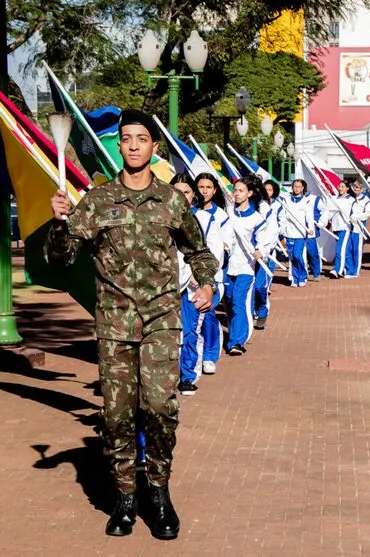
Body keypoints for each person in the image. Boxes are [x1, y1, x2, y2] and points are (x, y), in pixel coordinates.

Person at [45, 109, 218, 540]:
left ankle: (157, 491)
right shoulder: (99, 201)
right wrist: (59, 221)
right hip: (115, 326)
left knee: (160, 409)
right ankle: (125, 495)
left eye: (143, 138)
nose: (135, 145)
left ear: (154, 147)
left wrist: (208, 282)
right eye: (127, 139)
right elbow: (60, 257)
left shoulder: (173, 201)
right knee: (118, 415)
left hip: (161, 320)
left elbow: (198, 251)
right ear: (119, 146)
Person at [225, 176, 269, 356]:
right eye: (235, 190)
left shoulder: (257, 219)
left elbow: (263, 241)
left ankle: (237, 341)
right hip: (227, 266)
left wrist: (261, 251)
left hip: (245, 268)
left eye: (241, 190)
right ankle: (234, 331)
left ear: (249, 194)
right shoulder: (228, 213)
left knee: (238, 302)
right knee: (228, 302)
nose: (236, 193)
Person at [194, 172, 232, 376]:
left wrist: (224, 248)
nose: (204, 191)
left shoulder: (221, 216)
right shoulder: (188, 212)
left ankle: (209, 355)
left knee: (207, 314)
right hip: (188, 276)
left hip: (213, 276)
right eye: (200, 187)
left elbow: (228, 243)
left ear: (214, 190)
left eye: (208, 187)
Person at [170, 173, 203, 397]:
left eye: (187, 192)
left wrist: (200, 274)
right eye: (177, 191)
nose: (182, 196)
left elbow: (208, 253)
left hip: (190, 287)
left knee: (189, 331)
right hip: (164, 287)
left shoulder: (199, 221)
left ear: (194, 196)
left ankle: (187, 376)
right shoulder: (159, 218)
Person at [252, 179, 282, 330]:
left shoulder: (265, 208)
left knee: (259, 287)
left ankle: (262, 308)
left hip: (261, 256)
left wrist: (263, 250)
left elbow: (273, 231)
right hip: (243, 257)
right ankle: (250, 314)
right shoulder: (236, 209)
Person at [318, 180, 356, 278]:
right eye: (339, 186)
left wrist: (354, 217)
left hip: (345, 228)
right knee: (345, 250)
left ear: (347, 188)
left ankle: (337, 270)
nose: (341, 188)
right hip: (336, 228)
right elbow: (328, 212)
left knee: (340, 250)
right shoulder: (334, 199)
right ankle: (350, 270)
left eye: (343, 187)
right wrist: (323, 223)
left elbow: (356, 212)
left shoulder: (351, 200)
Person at [281, 179, 315, 287]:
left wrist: (310, 228)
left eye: (299, 187)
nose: (297, 188)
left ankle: (302, 276)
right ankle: (295, 279)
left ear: (302, 188)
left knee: (297, 255)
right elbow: (283, 216)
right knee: (292, 257)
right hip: (289, 232)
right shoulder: (286, 200)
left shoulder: (306, 201)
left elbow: (309, 217)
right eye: (295, 186)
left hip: (300, 233)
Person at [343, 179, 370, 278]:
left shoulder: (366, 199)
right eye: (355, 188)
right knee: (348, 248)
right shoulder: (349, 198)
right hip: (348, 226)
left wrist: (358, 217)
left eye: (359, 188)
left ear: (362, 189)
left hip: (359, 227)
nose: (357, 190)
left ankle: (355, 270)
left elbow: (368, 212)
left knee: (357, 249)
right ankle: (348, 269)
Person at [305, 189, 325, 281]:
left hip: (310, 231)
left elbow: (325, 212)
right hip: (296, 232)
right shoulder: (291, 199)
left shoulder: (315, 199)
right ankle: (298, 276)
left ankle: (316, 273)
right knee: (297, 255)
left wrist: (321, 222)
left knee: (312, 253)